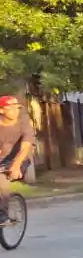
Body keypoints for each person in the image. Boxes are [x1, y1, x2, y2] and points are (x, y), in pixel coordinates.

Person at [0, 95, 35, 226]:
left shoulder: (23, 123)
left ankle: (3, 216)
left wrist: (16, 166)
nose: (16, 110)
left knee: (1, 179)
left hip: (20, 159)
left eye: (17, 107)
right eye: (11, 108)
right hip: (1, 160)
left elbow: (26, 146)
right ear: (1, 110)